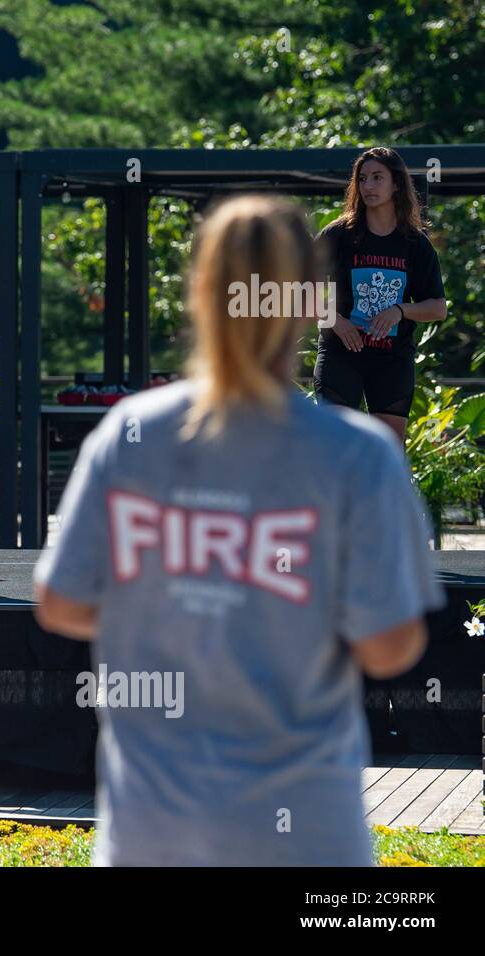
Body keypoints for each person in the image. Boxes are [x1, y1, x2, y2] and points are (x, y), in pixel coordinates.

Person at [33, 195, 443, 866]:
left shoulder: (129, 435)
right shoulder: (359, 454)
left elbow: (61, 602)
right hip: (309, 836)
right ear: (312, 297)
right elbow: (390, 646)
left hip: (149, 831)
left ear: (200, 293)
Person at [313, 146, 447, 444]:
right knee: (332, 446)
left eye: (377, 178)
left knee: (388, 452)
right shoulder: (339, 235)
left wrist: (400, 310)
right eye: (362, 179)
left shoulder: (416, 244)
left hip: (391, 359)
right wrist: (335, 320)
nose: (368, 186)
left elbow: (438, 308)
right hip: (341, 354)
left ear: (396, 184)